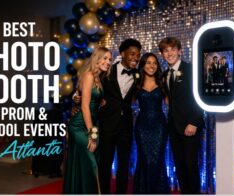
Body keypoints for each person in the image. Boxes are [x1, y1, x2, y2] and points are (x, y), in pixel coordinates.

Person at [158, 37, 204, 194]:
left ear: (180, 51)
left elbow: (201, 97)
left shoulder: (191, 69)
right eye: (165, 50)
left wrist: (194, 122)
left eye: (172, 49)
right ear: (162, 54)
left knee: (190, 164)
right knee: (179, 164)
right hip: (174, 127)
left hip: (190, 125)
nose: (169, 53)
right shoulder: (164, 75)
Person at [63, 47, 112, 194]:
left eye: (109, 59)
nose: (108, 62)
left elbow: (92, 101)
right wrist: (92, 134)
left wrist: (100, 102)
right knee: (92, 164)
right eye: (105, 58)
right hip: (79, 126)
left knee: (87, 163)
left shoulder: (98, 78)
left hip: (91, 123)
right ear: (96, 58)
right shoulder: (89, 75)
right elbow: (85, 107)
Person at [98, 38, 141, 194]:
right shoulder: (107, 70)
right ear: (123, 54)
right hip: (107, 124)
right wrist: (78, 97)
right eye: (132, 54)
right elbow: (92, 87)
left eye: (138, 55)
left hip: (126, 126)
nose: (136, 57)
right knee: (105, 163)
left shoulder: (138, 75)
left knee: (124, 164)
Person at [133, 53, 170, 194]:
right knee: (144, 159)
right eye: (148, 62)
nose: (152, 66)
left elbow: (170, 103)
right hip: (142, 127)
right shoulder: (136, 83)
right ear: (142, 65)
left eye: (154, 63)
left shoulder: (162, 82)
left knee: (157, 160)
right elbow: (124, 101)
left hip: (159, 127)